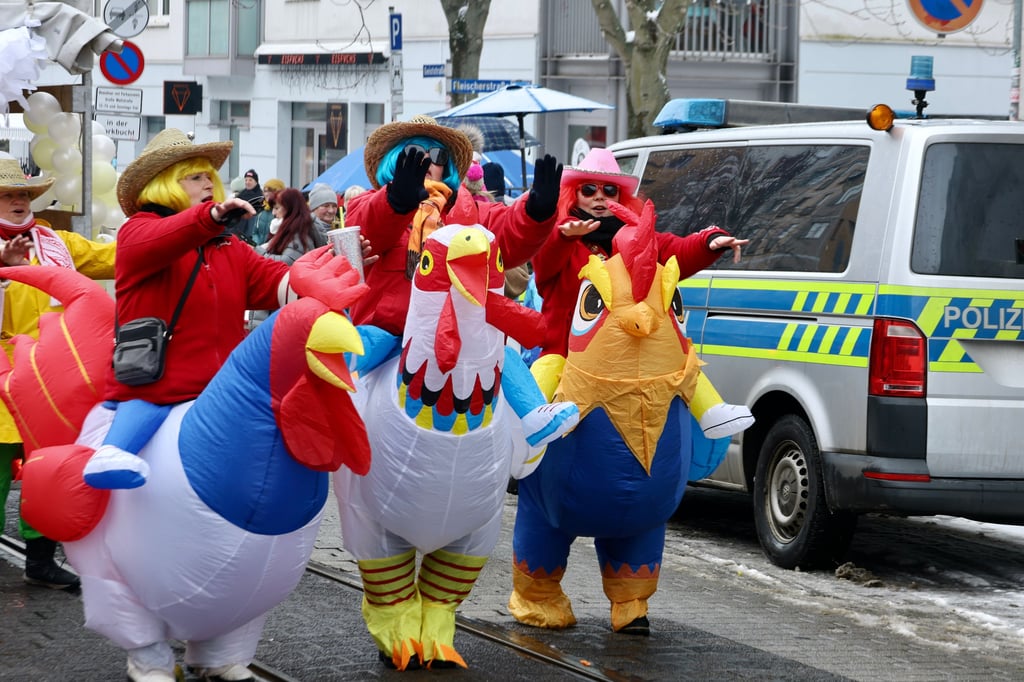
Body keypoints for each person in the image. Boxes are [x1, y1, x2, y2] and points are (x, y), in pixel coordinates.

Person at [530, 147, 754, 438]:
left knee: (679, 363)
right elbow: (544, 264)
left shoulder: (635, 236)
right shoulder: (560, 235)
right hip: (569, 352)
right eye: (589, 190)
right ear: (574, 195)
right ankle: (529, 420)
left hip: (630, 354)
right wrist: (563, 237)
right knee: (550, 365)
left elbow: (673, 249)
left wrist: (709, 241)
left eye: (609, 190)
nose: (599, 197)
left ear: (620, 198)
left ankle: (712, 411)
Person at [0, 155, 116, 591]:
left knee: (46, 469)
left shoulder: (56, 243)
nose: (18, 200)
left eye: (22, 193)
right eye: (7, 194)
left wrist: (181, 234)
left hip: (51, 379)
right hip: (3, 374)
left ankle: (40, 560)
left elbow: (114, 255)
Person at [249, 177, 285, 248]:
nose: (267, 194)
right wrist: (257, 245)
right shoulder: (261, 211)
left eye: (270, 191)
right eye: (265, 191)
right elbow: (255, 232)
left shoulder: (283, 212)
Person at [231, 169, 264, 245]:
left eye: (250, 180)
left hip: (248, 232)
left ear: (256, 182)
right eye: (246, 180)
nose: (247, 182)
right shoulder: (242, 194)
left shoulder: (260, 197)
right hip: (238, 230)